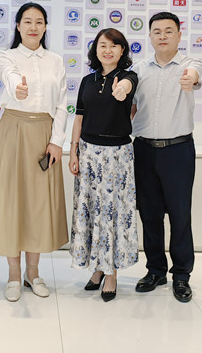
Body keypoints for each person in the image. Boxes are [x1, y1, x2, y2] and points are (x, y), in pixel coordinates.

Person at [0, 2, 68, 302]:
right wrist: (18, 87)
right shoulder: (7, 56)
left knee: (37, 204)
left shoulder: (56, 60)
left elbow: (62, 104)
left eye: (39, 22)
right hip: (13, 131)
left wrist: (57, 141)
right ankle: (14, 275)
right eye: (27, 21)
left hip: (44, 134)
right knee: (12, 201)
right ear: (18, 26)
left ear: (45, 27)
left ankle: (34, 273)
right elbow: (10, 75)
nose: (33, 27)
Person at [131, 12, 202, 302]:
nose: (162, 36)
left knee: (180, 214)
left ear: (178, 35)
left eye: (169, 31)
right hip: (144, 150)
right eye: (157, 31)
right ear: (150, 36)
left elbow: (194, 77)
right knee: (149, 214)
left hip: (178, 150)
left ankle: (182, 275)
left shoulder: (190, 64)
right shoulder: (139, 69)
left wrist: (190, 80)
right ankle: (155, 270)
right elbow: (131, 106)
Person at [68, 28, 139, 302]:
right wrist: (73, 151)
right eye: (102, 45)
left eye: (113, 46)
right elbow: (79, 118)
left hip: (117, 156)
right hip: (88, 153)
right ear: (95, 50)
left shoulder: (129, 77)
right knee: (92, 211)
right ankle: (97, 268)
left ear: (122, 50)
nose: (107, 50)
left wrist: (121, 89)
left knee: (113, 213)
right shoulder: (87, 81)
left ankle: (111, 274)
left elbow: (126, 88)